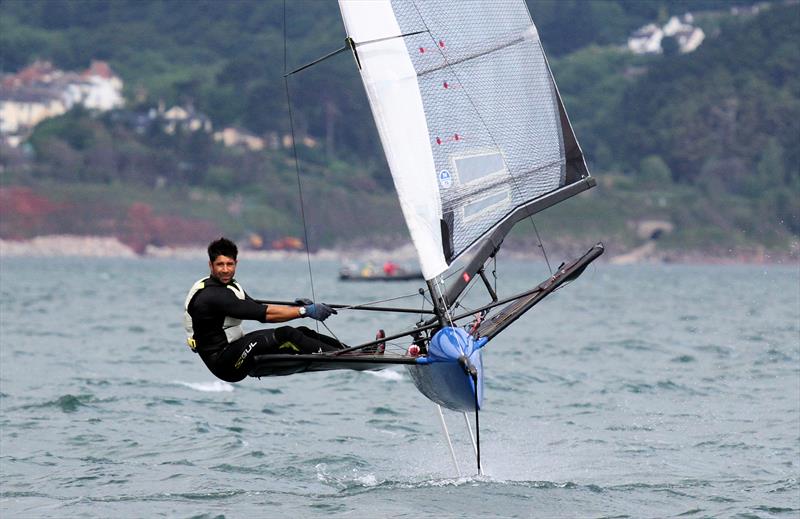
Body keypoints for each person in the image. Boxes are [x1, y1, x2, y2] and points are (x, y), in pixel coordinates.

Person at [184, 237, 344, 383]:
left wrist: (294, 308)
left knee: (302, 332)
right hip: (225, 364)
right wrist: (304, 311)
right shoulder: (213, 295)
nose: (225, 270)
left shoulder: (229, 285)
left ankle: (347, 350)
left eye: (229, 264)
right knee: (286, 335)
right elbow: (263, 314)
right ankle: (341, 357)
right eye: (220, 264)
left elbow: (253, 305)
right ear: (210, 265)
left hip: (234, 348)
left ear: (236, 263)